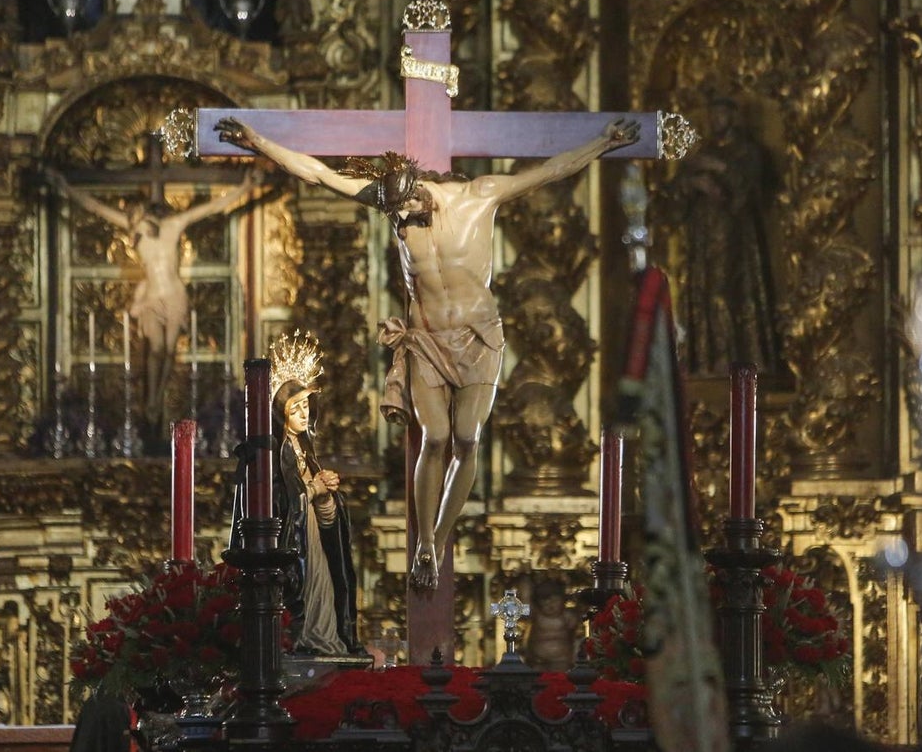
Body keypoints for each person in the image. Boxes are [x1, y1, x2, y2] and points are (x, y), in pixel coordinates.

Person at [214, 115, 639, 590]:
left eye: (407, 211)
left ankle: (439, 533)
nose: (401, 220)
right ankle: (426, 545)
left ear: (419, 188)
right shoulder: (390, 202)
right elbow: (316, 172)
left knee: (467, 437)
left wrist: (603, 143)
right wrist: (257, 141)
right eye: (393, 215)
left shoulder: (480, 196)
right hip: (427, 339)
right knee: (434, 437)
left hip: (477, 335)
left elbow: (551, 172)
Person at [46, 168, 258, 433]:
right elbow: (96, 207)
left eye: (135, 219)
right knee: (156, 349)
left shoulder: (174, 225)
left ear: (144, 213)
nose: (132, 228)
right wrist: (65, 186)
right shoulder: (137, 232)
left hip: (174, 295)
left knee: (167, 350)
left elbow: (212, 208)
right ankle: (152, 400)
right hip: (152, 298)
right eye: (131, 222)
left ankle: (155, 399)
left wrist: (245, 187)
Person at [665, 96, 781, 376]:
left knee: (726, 294)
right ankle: (705, 359)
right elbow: (673, 196)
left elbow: (751, 190)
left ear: (732, 116)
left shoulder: (745, 151)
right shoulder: (700, 153)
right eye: (712, 114)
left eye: (721, 114)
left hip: (734, 239)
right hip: (702, 237)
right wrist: (694, 183)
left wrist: (719, 170)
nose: (716, 119)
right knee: (703, 294)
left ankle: (734, 358)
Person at [271, 362, 360, 655]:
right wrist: (313, 490)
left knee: (328, 587)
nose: (303, 414)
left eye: (306, 406)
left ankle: (325, 637)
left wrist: (326, 496)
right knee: (310, 593)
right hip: (298, 545)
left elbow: (323, 513)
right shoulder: (279, 453)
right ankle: (306, 637)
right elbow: (280, 507)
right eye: (295, 409)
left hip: (314, 543)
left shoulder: (307, 450)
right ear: (282, 415)